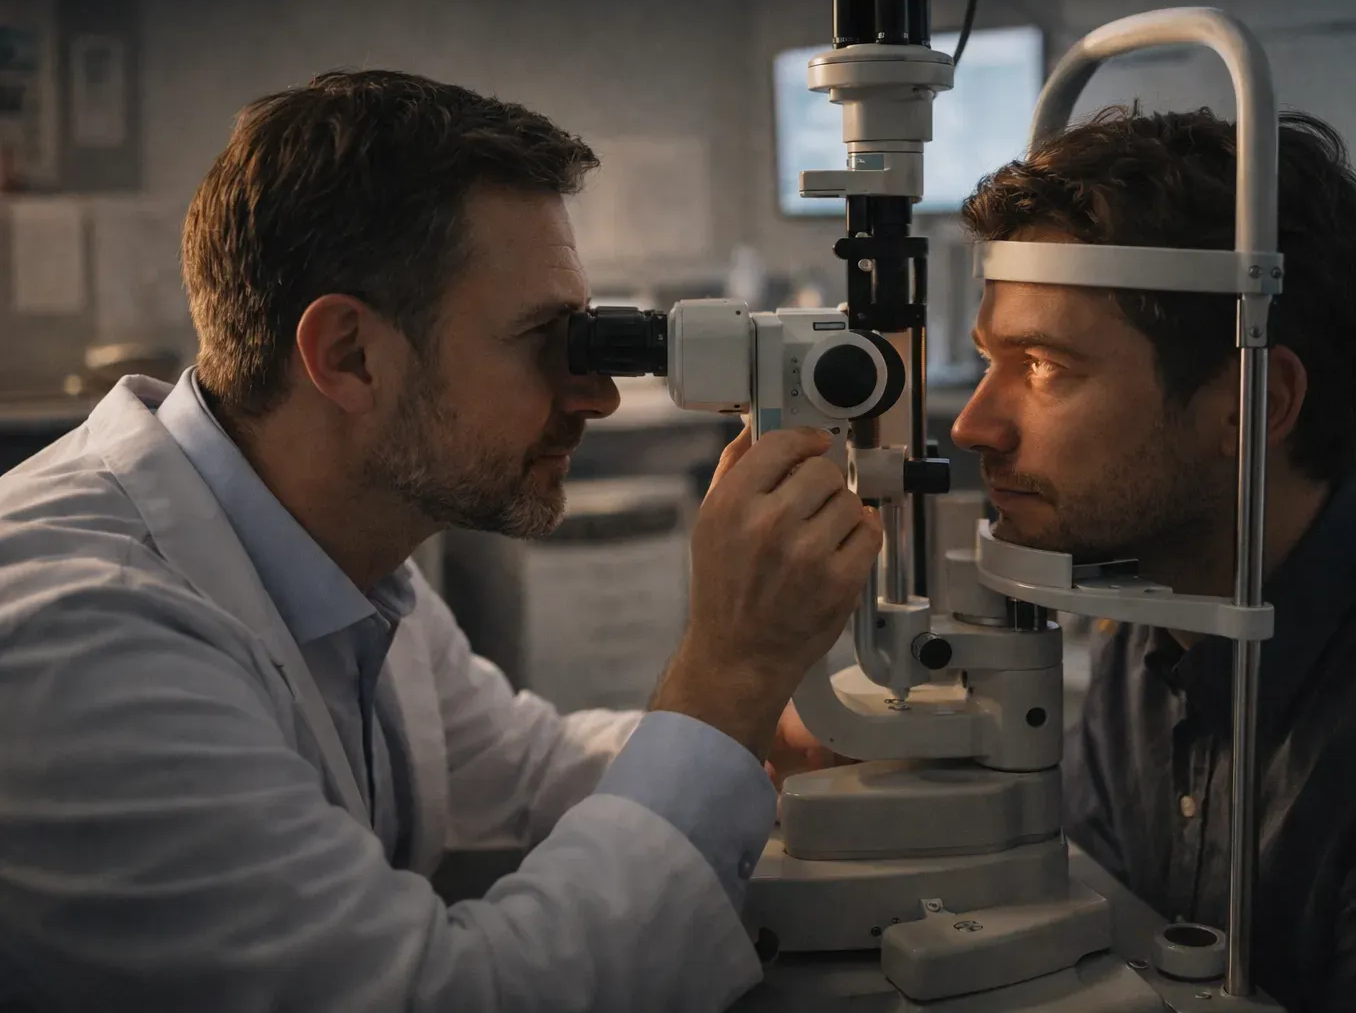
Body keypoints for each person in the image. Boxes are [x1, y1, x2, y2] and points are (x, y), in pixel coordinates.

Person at [0, 70, 879, 1012]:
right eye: (545, 340)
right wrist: (728, 674)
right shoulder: (91, 638)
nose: (598, 395)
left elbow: (528, 774)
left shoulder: (341, 556)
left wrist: (767, 741)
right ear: (349, 356)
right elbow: (448, 996)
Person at [951, 104, 1356, 1011]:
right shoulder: (1156, 611)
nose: (974, 424)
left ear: (1254, 404)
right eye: (990, 359)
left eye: (1042, 367)